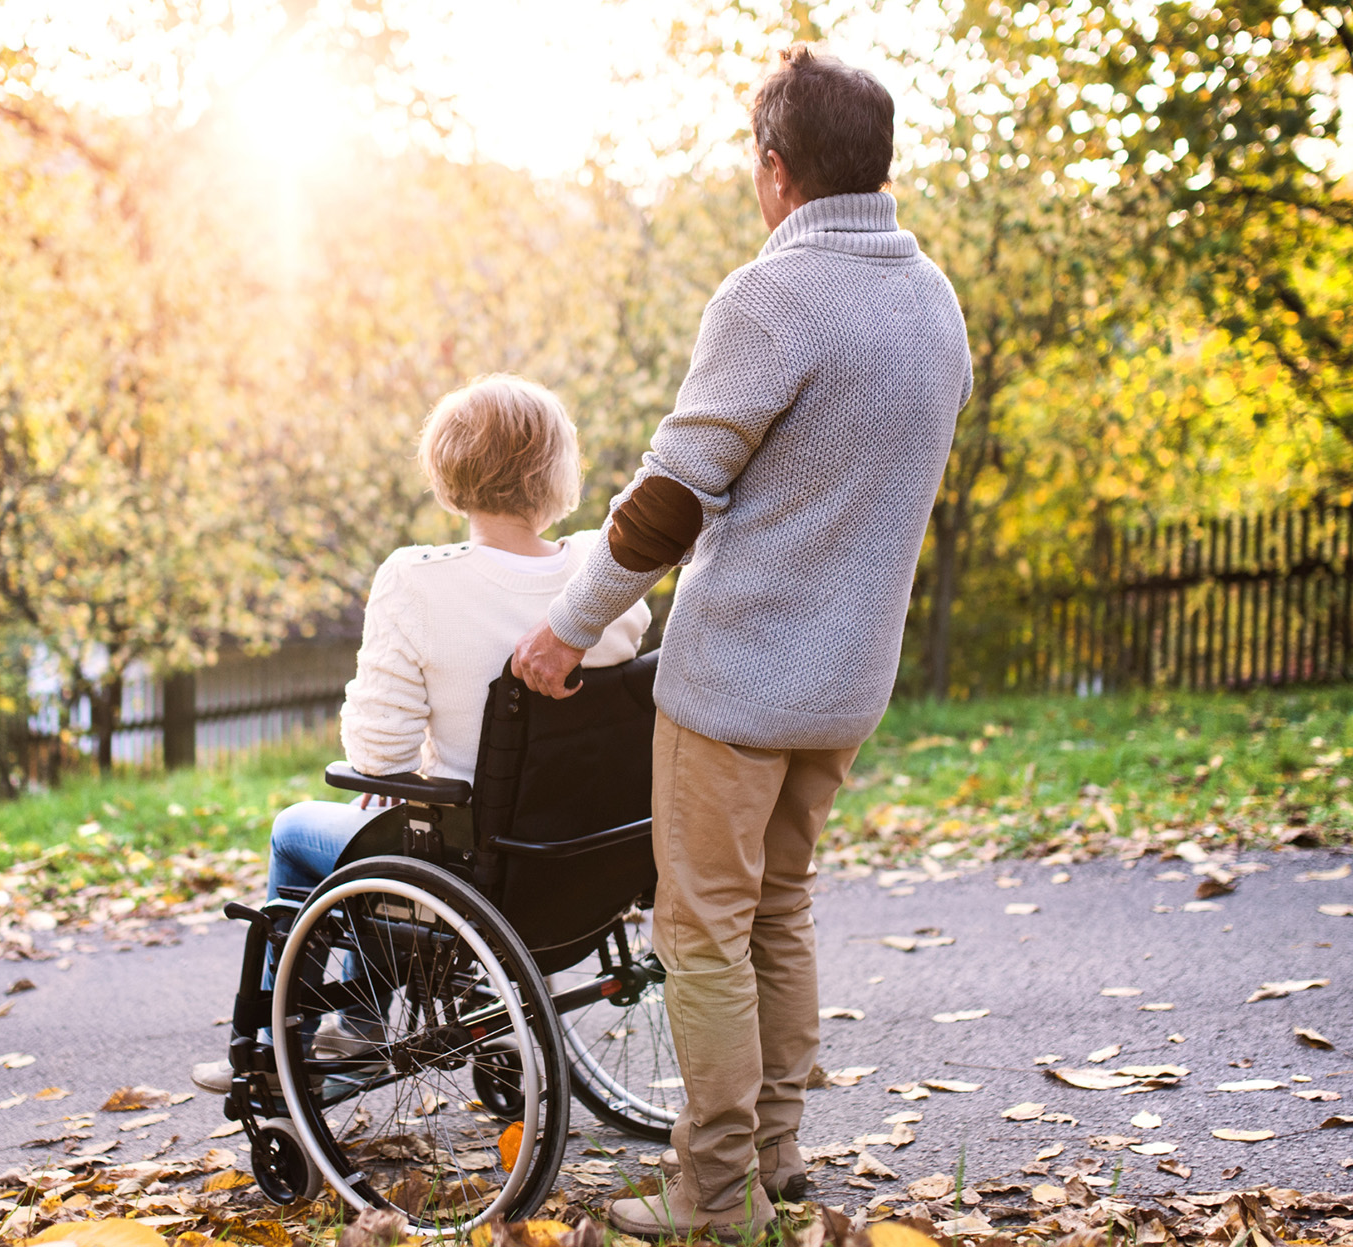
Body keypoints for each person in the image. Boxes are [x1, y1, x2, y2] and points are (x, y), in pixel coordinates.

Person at [513, 46, 973, 1241]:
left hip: (737, 682)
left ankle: (715, 1192)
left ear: (774, 169)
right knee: (780, 908)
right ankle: (774, 1152)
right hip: (847, 682)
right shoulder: (931, 300)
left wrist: (566, 627)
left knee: (703, 927)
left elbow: (671, 497)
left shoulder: (770, 298)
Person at [191, 373, 650, 1094]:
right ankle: (383, 1014)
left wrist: (393, 771)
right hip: (589, 853)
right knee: (392, 826)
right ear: (558, 469)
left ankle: (319, 1033)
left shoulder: (416, 581)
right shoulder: (604, 576)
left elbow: (378, 753)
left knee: (297, 829)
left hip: (478, 864)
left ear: (448, 469)